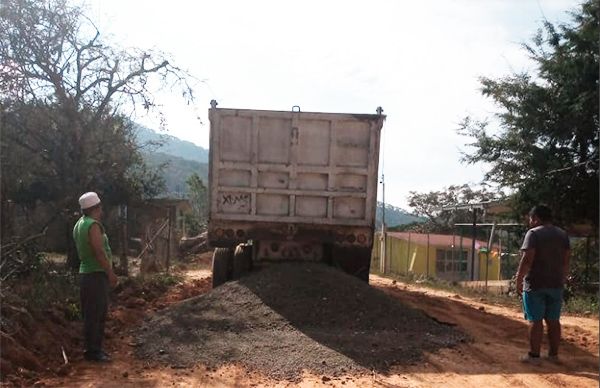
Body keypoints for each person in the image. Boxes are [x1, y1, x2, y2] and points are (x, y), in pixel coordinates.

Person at [516, 204, 570, 364]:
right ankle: (554, 355)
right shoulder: (562, 234)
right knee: (553, 320)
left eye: (531, 219)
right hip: (556, 284)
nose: (530, 222)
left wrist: (519, 279)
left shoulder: (533, 234)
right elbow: (566, 260)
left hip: (535, 285)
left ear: (536, 218)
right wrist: (563, 278)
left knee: (535, 320)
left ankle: (534, 356)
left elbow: (527, 260)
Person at [73, 192, 118, 362]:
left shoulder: (80, 224)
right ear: (96, 208)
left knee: (91, 313)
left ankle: (94, 349)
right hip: (96, 274)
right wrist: (110, 273)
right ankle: (93, 352)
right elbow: (99, 251)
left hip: (86, 274)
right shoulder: (93, 225)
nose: (102, 210)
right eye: (100, 207)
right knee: (96, 314)